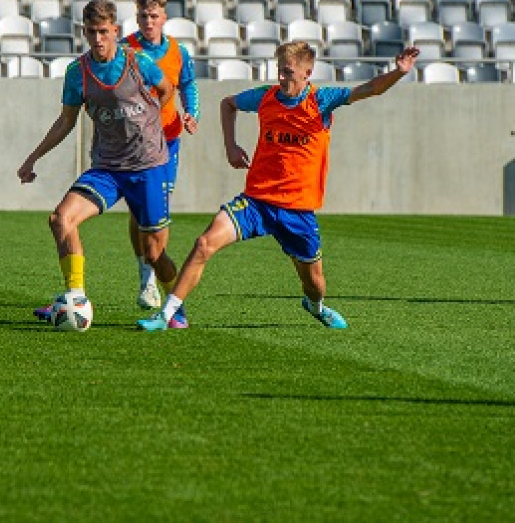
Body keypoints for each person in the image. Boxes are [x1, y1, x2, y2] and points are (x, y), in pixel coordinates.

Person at [138, 40, 420, 332]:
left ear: (307, 72)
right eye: (279, 71)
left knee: (315, 284)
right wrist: (231, 146)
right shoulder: (265, 97)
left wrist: (398, 72)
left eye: (288, 72)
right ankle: (167, 315)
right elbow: (228, 104)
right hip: (257, 202)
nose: (282, 79)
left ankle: (315, 306)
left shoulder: (321, 100)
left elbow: (371, 89)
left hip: (297, 211)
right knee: (204, 244)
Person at [17, 0, 189, 328]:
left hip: (148, 166)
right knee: (61, 219)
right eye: (92, 33)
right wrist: (33, 157)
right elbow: (66, 121)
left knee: (154, 254)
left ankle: (175, 311)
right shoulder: (77, 72)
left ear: (116, 31)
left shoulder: (138, 61)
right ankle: (75, 297)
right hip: (108, 168)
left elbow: (167, 89)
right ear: (85, 32)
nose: (98, 40)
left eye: (104, 32)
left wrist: (151, 116)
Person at [122, 0, 200, 310]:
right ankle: (147, 276)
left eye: (154, 16)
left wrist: (192, 112)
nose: (149, 21)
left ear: (164, 18)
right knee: (140, 208)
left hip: (168, 138)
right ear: (137, 17)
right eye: (143, 16)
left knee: (160, 201)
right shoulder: (126, 48)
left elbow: (189, 84)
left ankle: (152, 274)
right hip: (135, 139)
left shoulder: (179, 51)